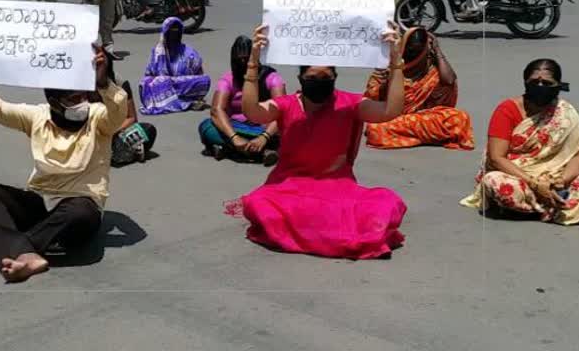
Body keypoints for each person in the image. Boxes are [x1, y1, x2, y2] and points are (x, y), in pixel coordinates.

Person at [224, 22, 408, 259]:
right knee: (260, 204)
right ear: (301, 78)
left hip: (337, 186)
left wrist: (396, 61)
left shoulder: (350, 104)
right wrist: (253, 63)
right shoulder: (287, 104)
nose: (319, 81)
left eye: (326, 76)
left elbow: (390, 111)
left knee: (385, 203)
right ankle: (326, 229)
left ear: (335, 77)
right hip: (288, 186)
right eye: (312, 77)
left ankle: (320, 228)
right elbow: (253, 112)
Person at [0, 41, 128, 282]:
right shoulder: (38, 116)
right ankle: (25, 251)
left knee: (81, 212)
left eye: (81, 95)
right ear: (54, 101)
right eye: (71, 99)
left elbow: (117, 115)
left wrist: (103, 82)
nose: (79, 103)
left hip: (78, 207)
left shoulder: (98, 118)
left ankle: (12, 249)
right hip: (39, 202)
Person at [461, 59, 579, 227]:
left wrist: (561, 181)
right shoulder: (507, 110)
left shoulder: (565, 112)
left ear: (558, 86)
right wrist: (535, 184)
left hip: (555, 177)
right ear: (525, 83)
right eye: (535, 82)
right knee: (496, 182)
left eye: (547, 83)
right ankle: (561, 205)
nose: (540, 86)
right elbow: (496, 158)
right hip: (518, 174)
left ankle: (547, 204)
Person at [363, 27, 475, 150]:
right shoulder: (394, 64)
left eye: (417, 50)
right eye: (410, 49)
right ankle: (426, 136)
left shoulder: (433, 67)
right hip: (396, 119)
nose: (412, 53)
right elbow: (370, 100)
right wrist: (382, 81)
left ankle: (413, 136)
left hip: (426, 117)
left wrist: (437, 51)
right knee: (375, 130)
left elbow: (449, 80)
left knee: (460, 118)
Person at [199, 35, 285, 166]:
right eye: (240, 60)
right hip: (236, 128)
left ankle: (231, 151)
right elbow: (217, 110)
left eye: (247, 59)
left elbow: (282, 109)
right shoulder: (228, 79)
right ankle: (259, 153)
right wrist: (234, 138)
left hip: (265, 130)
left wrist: (264, 137)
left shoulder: (272, 78)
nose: (244, 63)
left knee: (292, 131)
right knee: (206, 126)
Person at [139, 17, 211, 115]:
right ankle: (186, 103)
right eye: (171, 32)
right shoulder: (157, 52)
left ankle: (176, 99)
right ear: (165, 33)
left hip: (181, 84)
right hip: (161, 86)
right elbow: (148, 74)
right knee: (147, 83)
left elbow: (199, 73)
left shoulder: (189, 51)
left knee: (204, 80)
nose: (174, 35)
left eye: (176, 32)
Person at [104, 49, 158, 166]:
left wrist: (112, 132)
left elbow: (132, 118)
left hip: (116, 131)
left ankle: (120, 151)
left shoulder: (121, 83)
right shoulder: (83, 86)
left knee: (148, 129)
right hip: (94, 132)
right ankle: (127, 151)